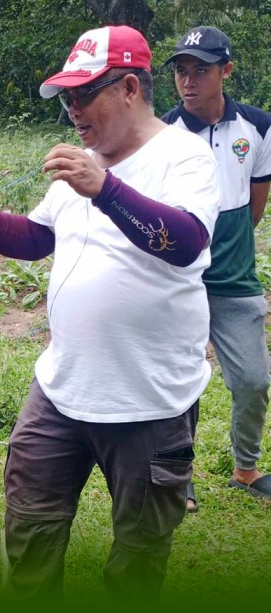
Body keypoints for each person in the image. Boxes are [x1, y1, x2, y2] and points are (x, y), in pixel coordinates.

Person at [0, 26, 220, 600]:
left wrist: (106, 190)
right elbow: (36, 238)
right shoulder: (84, 165)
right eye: (66, 98)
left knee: (138, 556)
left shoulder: (185, 156)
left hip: (150, 402)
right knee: (30, 531)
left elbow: (187, 241)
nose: (72, 111)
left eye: (83, 95)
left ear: (130, 88)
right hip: (63, 390)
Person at [162, 26, 271, 507]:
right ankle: (176, 477)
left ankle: (245, 469)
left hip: (236, 280)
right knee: (178, 380)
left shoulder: (259, 127)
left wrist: (228, 248)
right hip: (178, 281)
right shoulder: (163, 135)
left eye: (201, 70)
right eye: (182, 71)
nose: (189, 80)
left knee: (253, 380)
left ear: (226, 71)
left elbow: (254, 206)